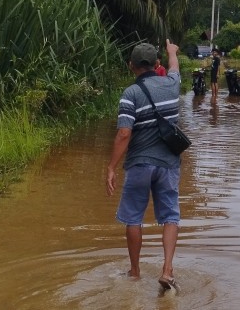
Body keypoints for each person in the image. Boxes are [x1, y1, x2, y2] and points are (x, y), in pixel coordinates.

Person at [106, 39, 182, 293]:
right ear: (157, 63)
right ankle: (167, 270)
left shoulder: (131, 94)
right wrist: (172, 51)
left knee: (133, 219)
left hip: (139, 164)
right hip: (168, 165)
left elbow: (124, 134)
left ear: (131, 66)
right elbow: (175, 67)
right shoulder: (172, 84)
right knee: (170, 216)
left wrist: (111, 167)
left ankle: (135, 271)